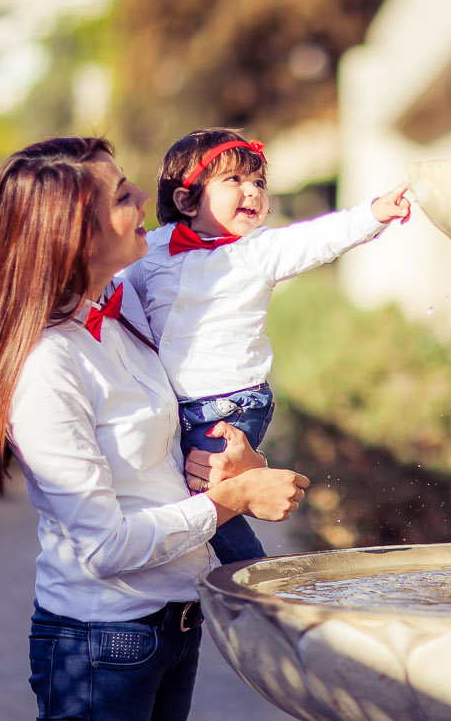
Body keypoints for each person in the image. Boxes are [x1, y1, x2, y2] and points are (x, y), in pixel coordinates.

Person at [0, 136, 309, 721]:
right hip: (101, 643)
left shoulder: (124, 309)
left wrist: (237, 463)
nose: (145, 195)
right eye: (121, 195)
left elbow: (175, 439)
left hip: (175, 621)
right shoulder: (47, 368)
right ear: (76, 234)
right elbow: (105, 545)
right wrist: (231, 499)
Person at [119, 127, 411, 565]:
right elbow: (114, 295)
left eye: (259, 182)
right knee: (175, 491)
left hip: (232, 404)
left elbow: (318, 238)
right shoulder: (153, 249)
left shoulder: (260, 250)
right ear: (186, 200)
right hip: (174, 406)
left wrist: (374, 214)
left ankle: (252, 577)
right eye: (234, 181)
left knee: (211, 493)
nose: (252, 191)